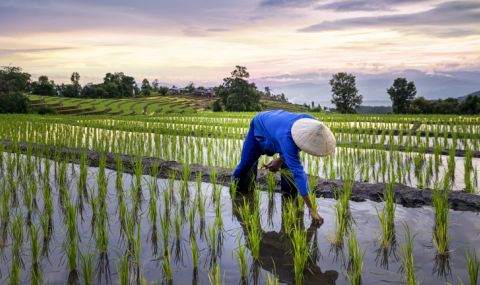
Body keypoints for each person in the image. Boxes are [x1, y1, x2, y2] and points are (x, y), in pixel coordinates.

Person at [232, 110, 336, 226]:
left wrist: (279, 160)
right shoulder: (287, 138)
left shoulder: (314, 125)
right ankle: (237, 193)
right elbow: (299, 173)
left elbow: (299, 143)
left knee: (289, 174)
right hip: (260, 127)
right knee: (245, 166)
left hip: (279, 130)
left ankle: (289, 197)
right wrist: (312, 209)